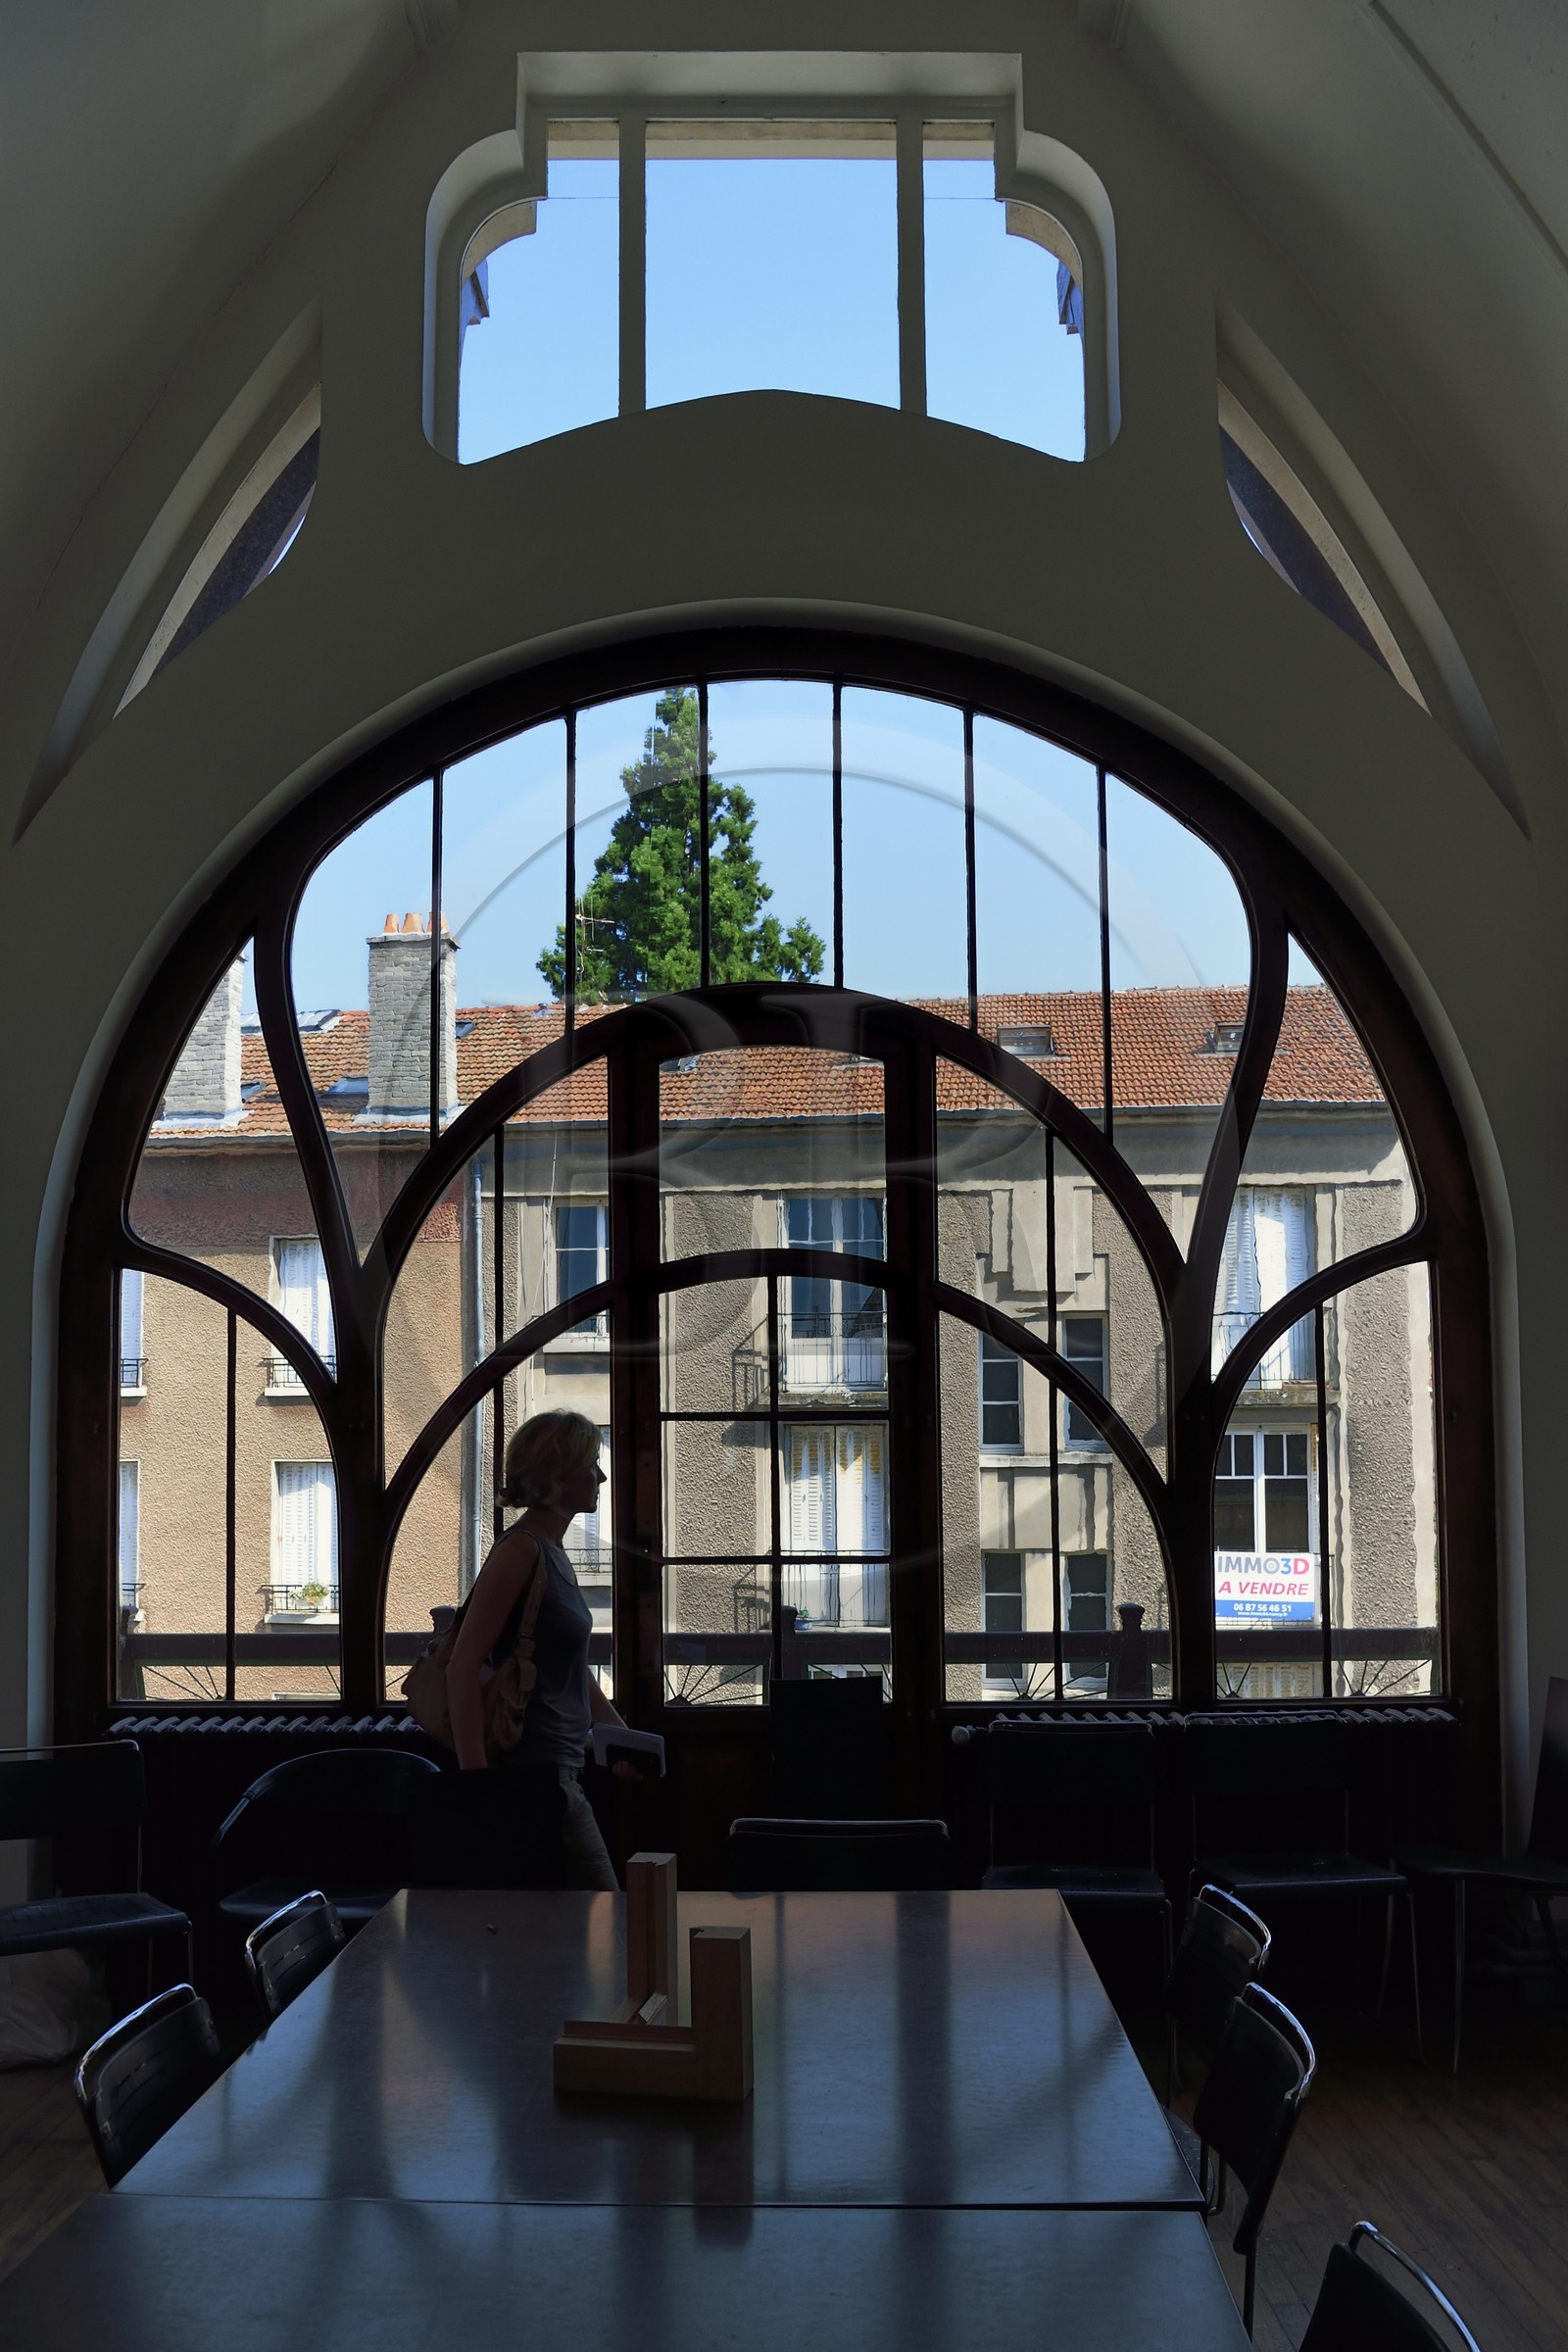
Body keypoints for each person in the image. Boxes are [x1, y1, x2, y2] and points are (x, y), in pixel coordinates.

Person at [445, 1408, 630, 1889]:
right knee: (604, 1915)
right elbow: (462, 1666)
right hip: (532, 1780)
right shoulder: (522, 1549)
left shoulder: (551, 1551)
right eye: (592, 1465)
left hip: (557, 1775)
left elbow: (568, 1667)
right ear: (559, 1477)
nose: (601, 1477)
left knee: (555, 1926)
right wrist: (477, 1788)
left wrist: (620, 1735)